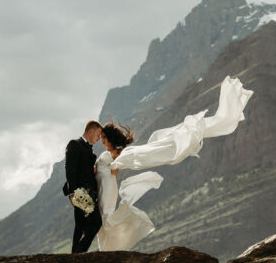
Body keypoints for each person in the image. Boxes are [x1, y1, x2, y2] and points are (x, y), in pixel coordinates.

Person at [95, 75, 252, 252]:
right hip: (105, 188)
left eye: (103, 138)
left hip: (109, 188)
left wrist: (103, 172)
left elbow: (113, 172)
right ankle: (106, 251)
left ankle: (106, 252)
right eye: (101, 138)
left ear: (110, 138)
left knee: (105, 219)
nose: (102, 141)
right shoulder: (112, 154)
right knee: (104, 221)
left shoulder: (122, 154)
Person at [63, 120, 103, 253]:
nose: (99, 139)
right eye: (98, 135)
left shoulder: (89, 150)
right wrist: (72, 193)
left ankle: (74, 255)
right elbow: (70, 169)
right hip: (79, 193)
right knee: (96, 222)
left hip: (88, 193)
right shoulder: (74, 144)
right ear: (90, 131)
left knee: (80, 226)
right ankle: (80, 252)